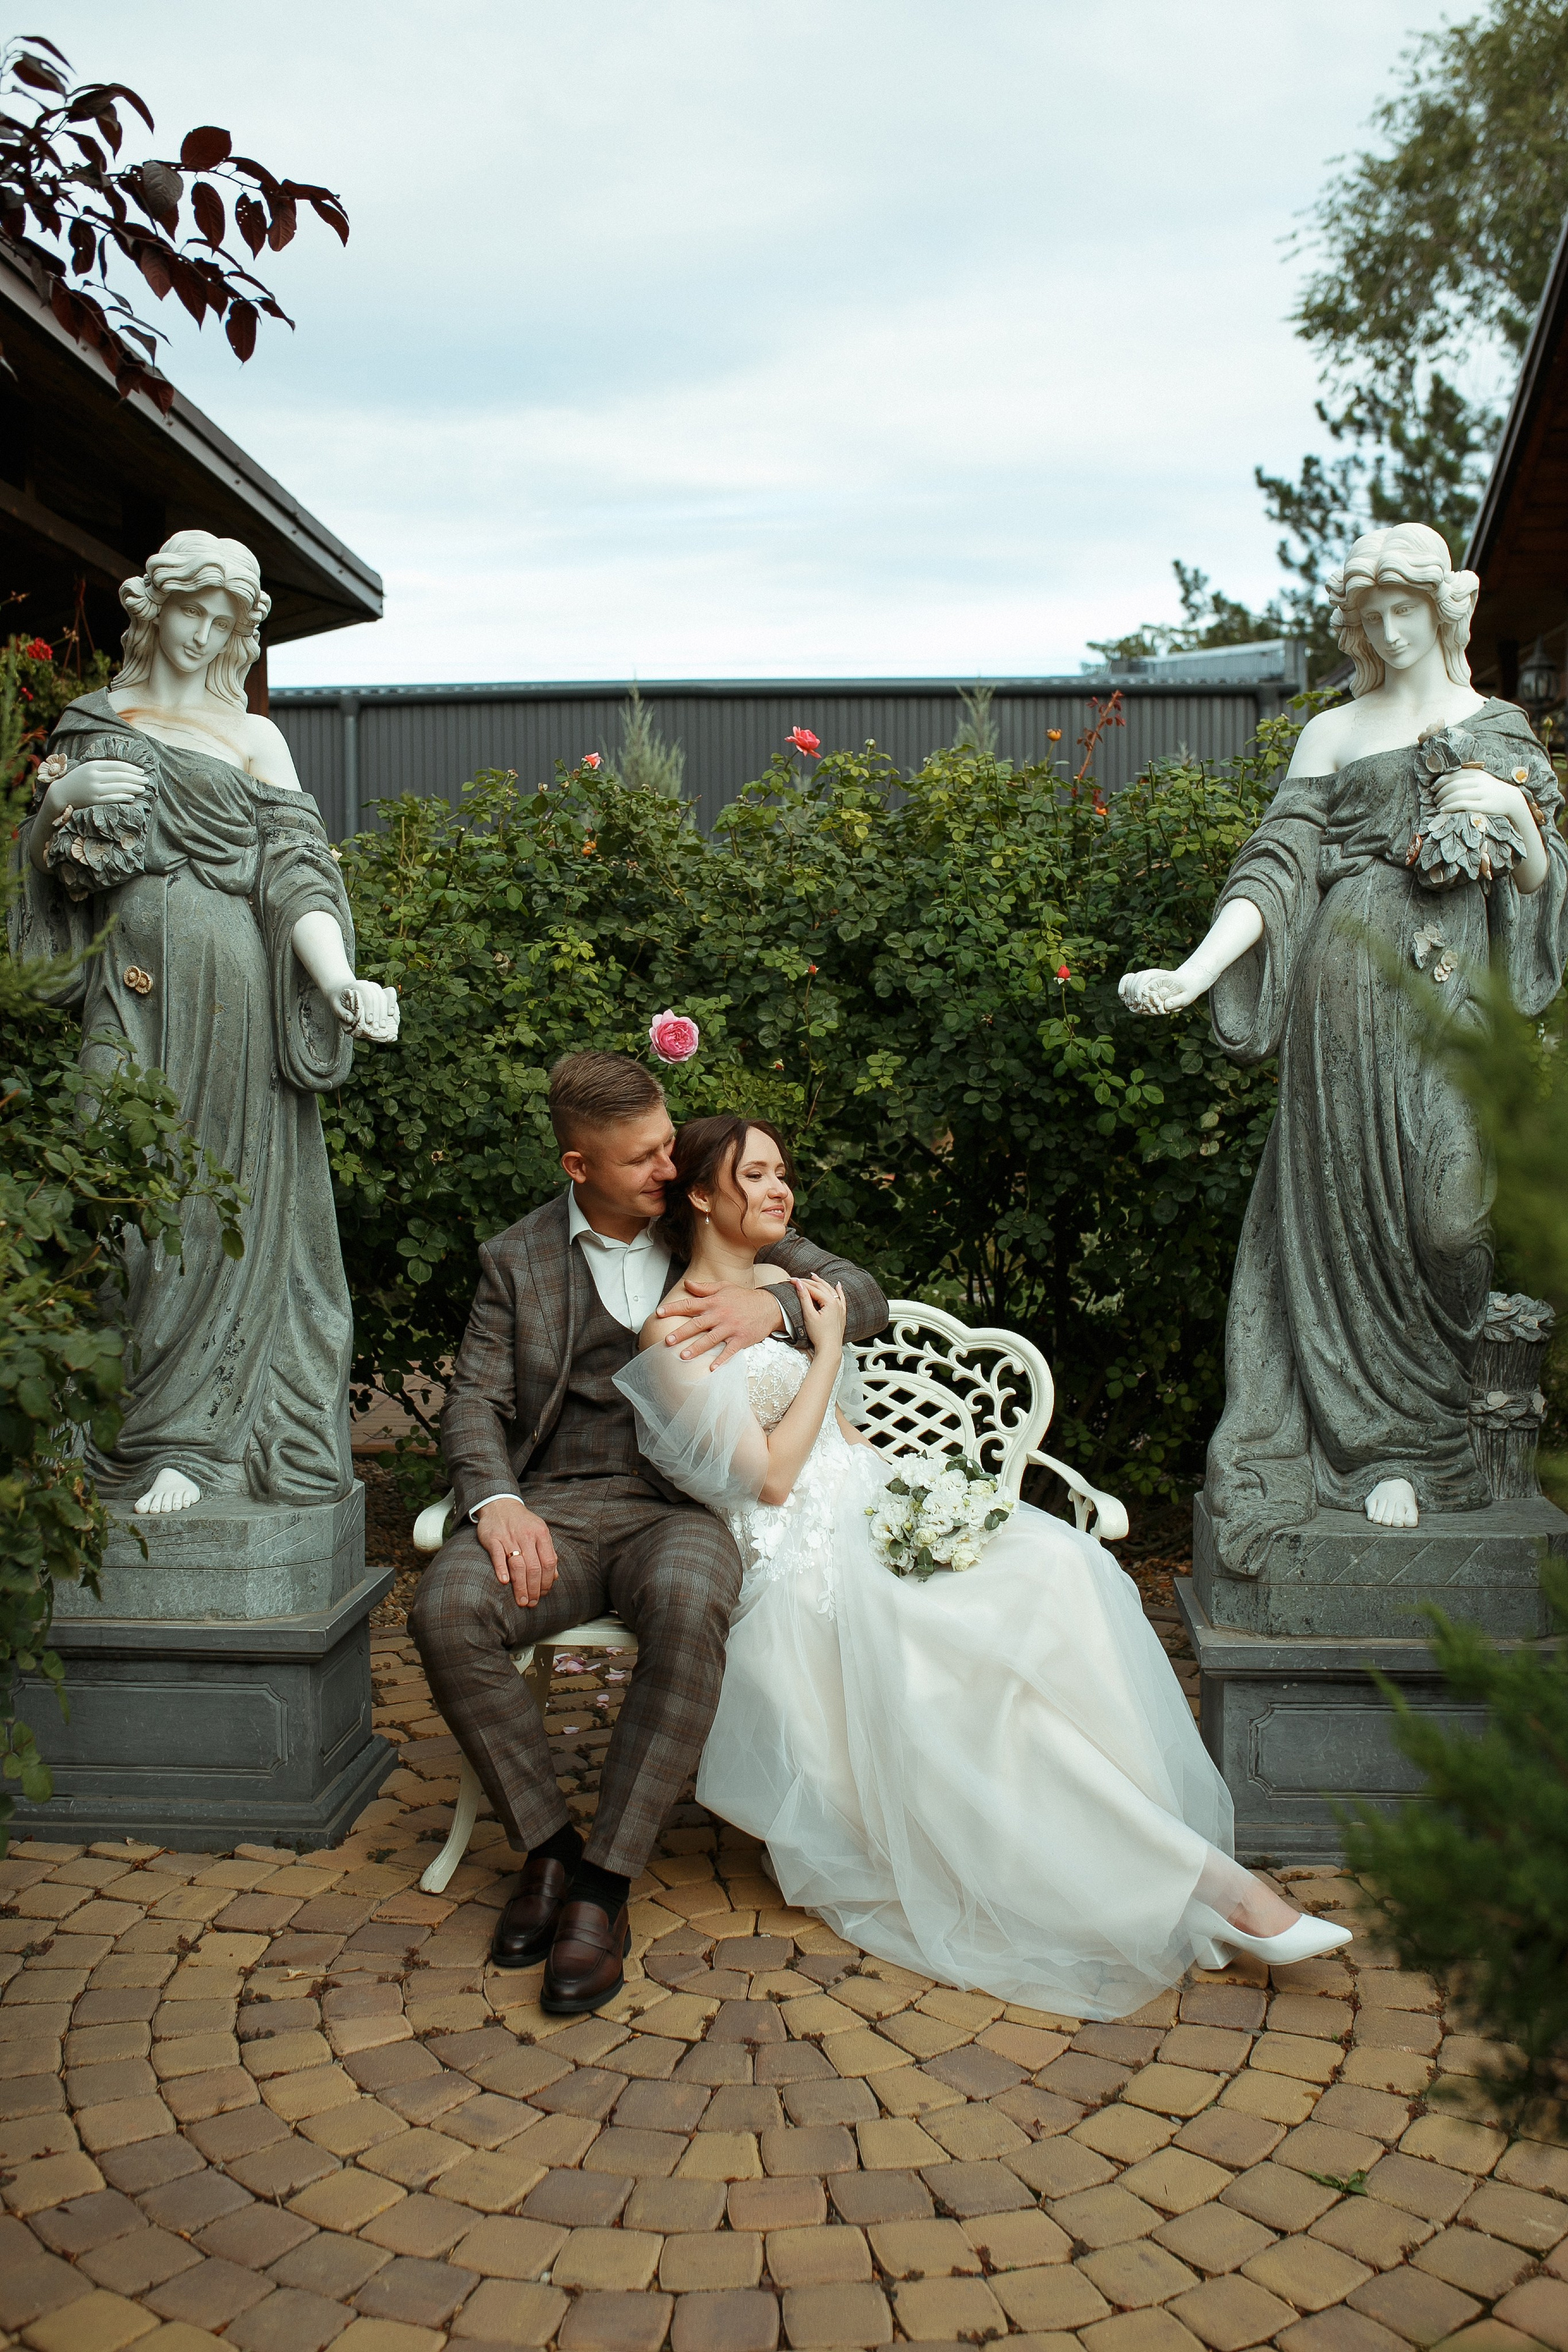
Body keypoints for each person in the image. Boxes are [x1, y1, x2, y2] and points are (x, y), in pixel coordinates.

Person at [616, 1115, 1351, 2022]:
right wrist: (831, 1351)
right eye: (756, 1175)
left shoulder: (786, 1283)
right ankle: (1223, 1891)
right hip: (800, 1564)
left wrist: (920, 1503)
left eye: (782, 1173)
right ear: (700, 1195)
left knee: (1068, 1576)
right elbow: (768, 1478)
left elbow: (843, 1435)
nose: (780, 1191)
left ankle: (1167, 1873)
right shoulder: (672, 1329)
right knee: (977, 1678)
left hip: (874, 1510)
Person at [1120, 523, 1568, 1578]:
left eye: (1403, 609)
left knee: (1449, 1216)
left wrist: (1518, 815)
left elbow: (1545, 895)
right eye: (1370, 617)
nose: (1388, 629)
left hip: (1453, 1007)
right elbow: (1279, 873)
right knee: (1342, 1215)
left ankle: (1437, 1435)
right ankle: (1376, 1454)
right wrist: (1192, 973)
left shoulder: (1501, 731)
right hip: (1345, 997)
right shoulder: (1331, 733)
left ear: (1443, 610)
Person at [410, 1052, 889, 2015]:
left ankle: (605, 1882)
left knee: (689, 1596)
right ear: (578, 1167)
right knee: (447, 1610)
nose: (669, 1170)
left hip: (681, 1511)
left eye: (671, 1146)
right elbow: (474, 1399)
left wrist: (777, 1300)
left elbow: (861, 1293)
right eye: (642, 1160)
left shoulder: (701, 1214)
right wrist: (495, 1501)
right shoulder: (519, 1257)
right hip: (556, 1504)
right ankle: (549, 1851)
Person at [9, 530, 399, 1515]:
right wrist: (60, 802)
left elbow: (296, 873)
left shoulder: (255, 738)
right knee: (117, 1200)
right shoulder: (93, 722)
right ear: (155, 610)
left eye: (226, 622)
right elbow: (58, 876)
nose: (204, 634)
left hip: (235, 1005)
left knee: (211, 1212)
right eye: (192, 611)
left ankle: (197, 1442)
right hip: (125, 997)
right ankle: (96, 1436)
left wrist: (339, 975)